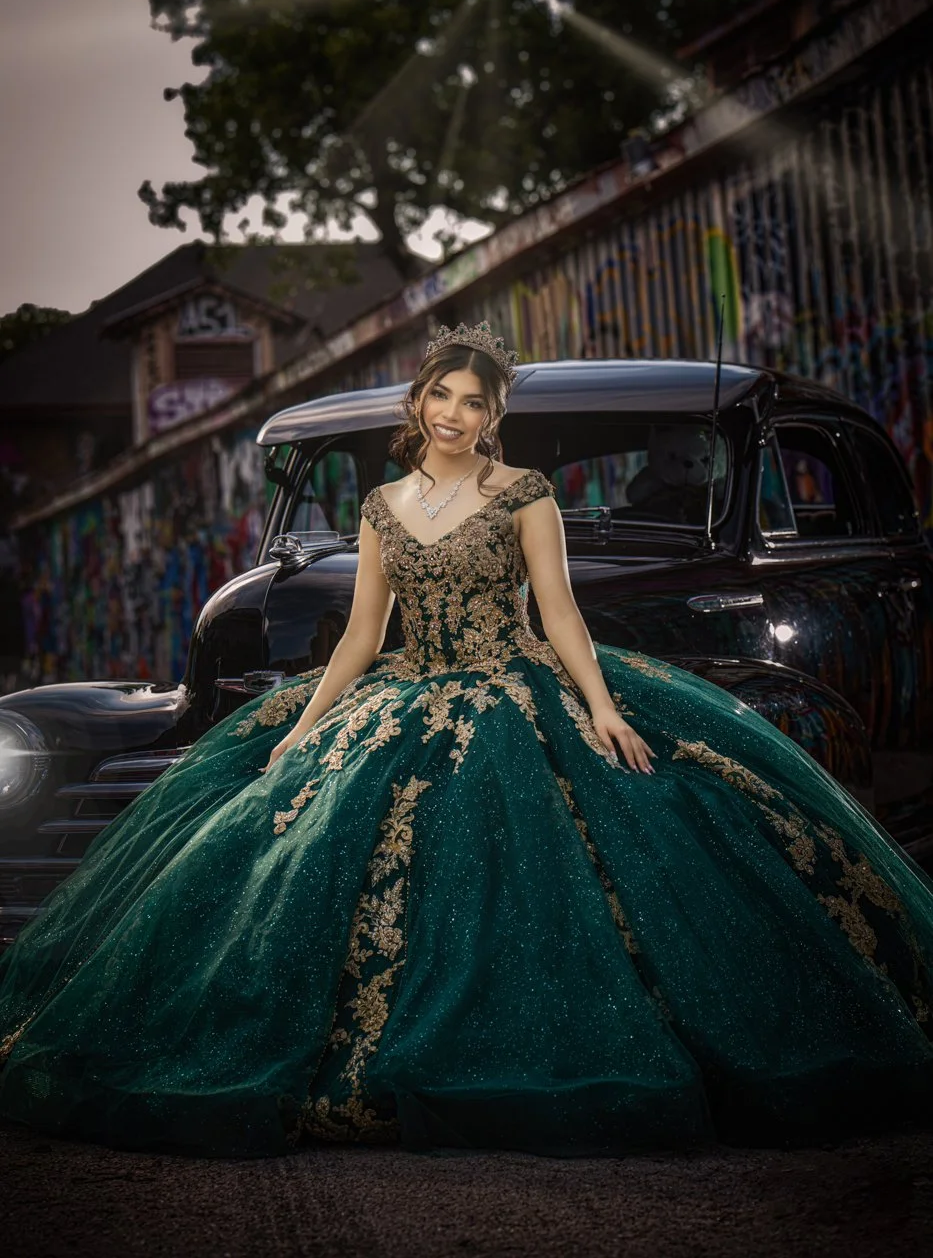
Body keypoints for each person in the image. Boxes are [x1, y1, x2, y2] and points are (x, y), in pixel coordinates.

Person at [2, 320, 933, 1160]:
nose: (453, 413)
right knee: (297, 839)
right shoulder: (378, 506)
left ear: (493, 416)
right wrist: (310, 721)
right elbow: (366, 636)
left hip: (511, 680)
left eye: (474, 401)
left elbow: (559, 613)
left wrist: (603, 706)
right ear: (420, 403)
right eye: (440, 394)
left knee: (611, 831)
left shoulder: (524, 494)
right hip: (406, 688)